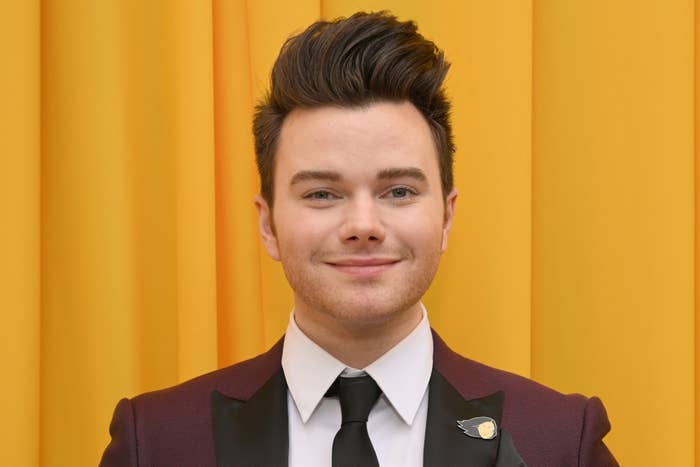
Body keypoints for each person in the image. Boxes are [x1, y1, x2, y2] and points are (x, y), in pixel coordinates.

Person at [100, 11, 617, 467]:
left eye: (398, 190)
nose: (363, 224)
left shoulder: (559, 441)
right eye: (323, 194)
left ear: (446, 218)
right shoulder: (158, 442)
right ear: (267, 224)